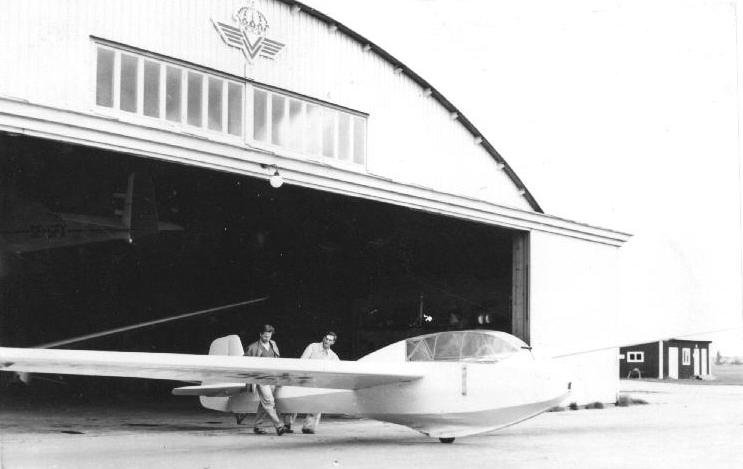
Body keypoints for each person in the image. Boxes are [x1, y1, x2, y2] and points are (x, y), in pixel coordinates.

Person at [244, 324, 292, 435]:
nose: (267, 338)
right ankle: (279, 426)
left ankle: (257, 426)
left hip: (273, 378)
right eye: (265, 336)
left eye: (269, 336)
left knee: (264, 402)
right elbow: (243, 362)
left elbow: (277, 360)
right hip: (261, 379)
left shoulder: (273, 344)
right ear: (260, 334)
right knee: (269, 401)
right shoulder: (252, 347)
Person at [297, 331, 340, 434]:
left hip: (319, 382)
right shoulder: (313, 347)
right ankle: (287, 424)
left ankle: (309, 427)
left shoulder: (333, 356)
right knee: (294, 398)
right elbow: (302, 361)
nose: (327, 341)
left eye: (330, 340)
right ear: (323, 338)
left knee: (317, 401)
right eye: (326, 339)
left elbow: (339, 368)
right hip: (306, 377)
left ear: (333, 342)